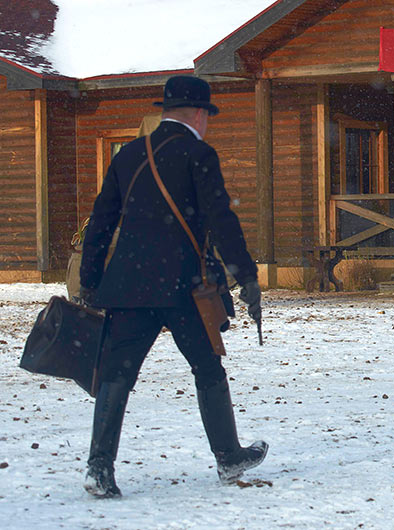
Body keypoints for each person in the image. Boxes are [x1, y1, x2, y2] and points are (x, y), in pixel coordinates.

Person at [78, 76, 267, 498]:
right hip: (184, 287)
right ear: (199, 114)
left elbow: (100, 222)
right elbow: (221, 219)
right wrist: (246, 275)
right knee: (207, 367)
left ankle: (99, 468)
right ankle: (228, 457)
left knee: (117, 374)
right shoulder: (199, 154)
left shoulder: (128, 155)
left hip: (128, 286)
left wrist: (90, 281)